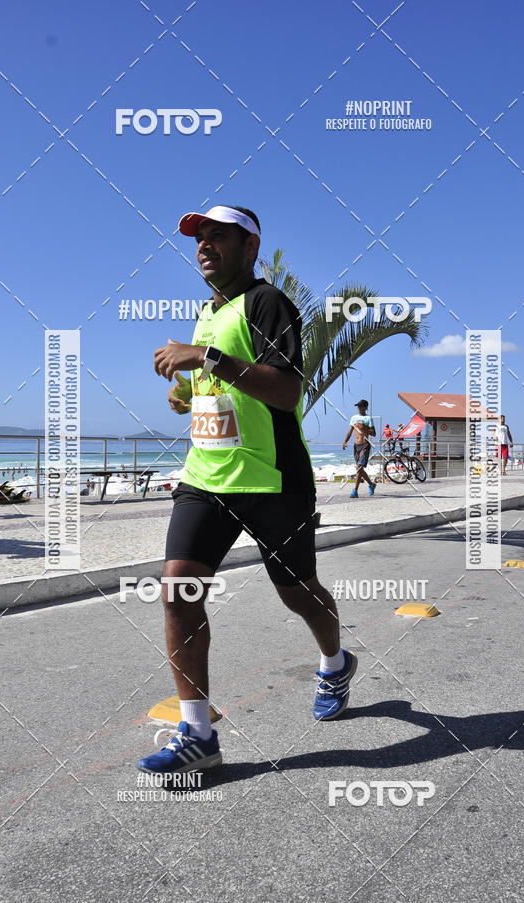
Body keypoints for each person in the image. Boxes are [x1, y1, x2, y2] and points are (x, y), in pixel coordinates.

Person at [138, 204, 358, 776]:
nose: (204, 246)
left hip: (273, 481)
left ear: (250, 247)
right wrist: (192, 393)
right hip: (206, 477)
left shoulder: (267, 303)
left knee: (297, 592)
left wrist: (207, 357)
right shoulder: (208, 312)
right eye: (199, 239)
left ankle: (334, 663)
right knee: (178, 591)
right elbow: (225, 388)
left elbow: (285, 391)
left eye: (217, 237)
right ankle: (198, 733)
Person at [342, 400, 377, 497]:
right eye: (358, 406)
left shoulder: (368, 418)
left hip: (365, 444)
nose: (359, 408)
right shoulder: (354, 418)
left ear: (365, 407)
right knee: (359, 469)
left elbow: (374, 433)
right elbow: (350, 431)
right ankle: (371, 484)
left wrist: (364, 428)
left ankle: (355, 491)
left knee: (359, 468)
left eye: (361, 406)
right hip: (356, 445)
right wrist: (345, 441)